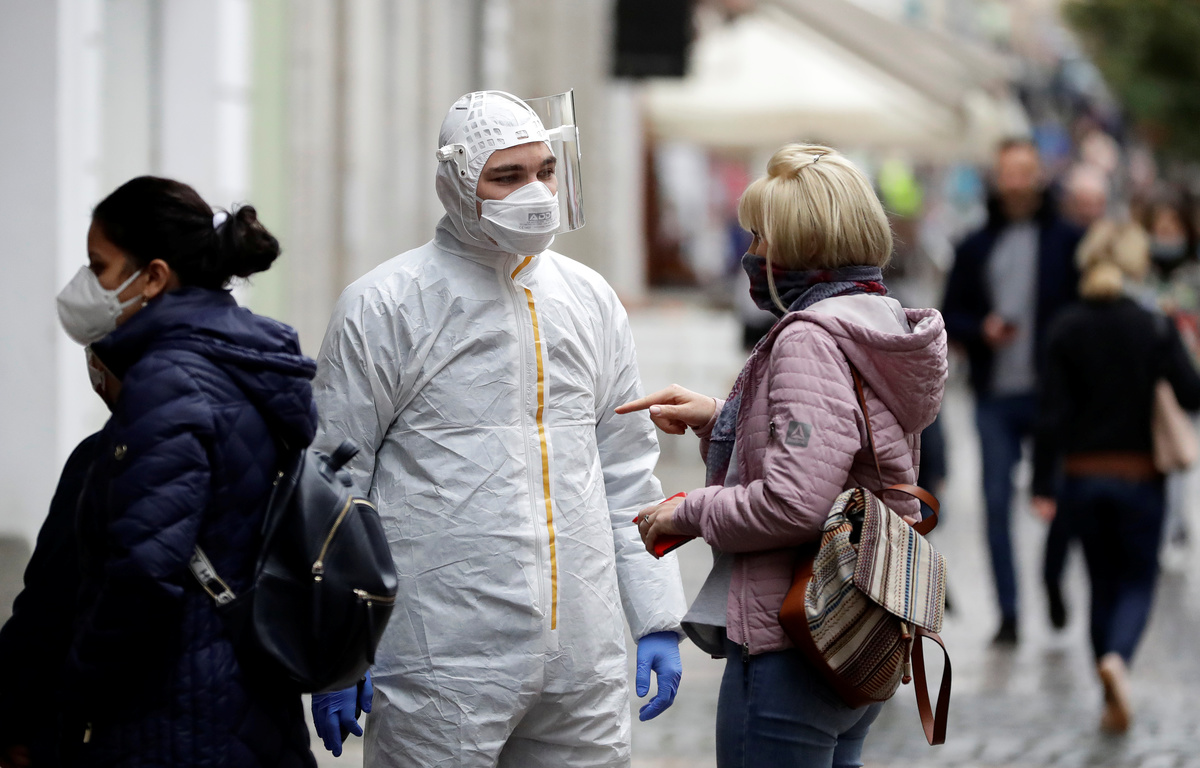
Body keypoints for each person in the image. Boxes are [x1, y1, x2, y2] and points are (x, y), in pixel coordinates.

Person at [309, 90, 687, 767]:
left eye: (545, 171)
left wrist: (656, 615)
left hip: (582, 658)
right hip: (439, 660)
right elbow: (334, 483)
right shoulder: (385, 305)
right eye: (507, 176)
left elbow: (628, 471)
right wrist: (339, 643)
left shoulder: (589, 299)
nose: (535, 192)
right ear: (457, 183)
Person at [619, 144, 947, 768]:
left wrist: (686, 511)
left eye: (761, 235)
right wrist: (722, 417)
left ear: (804, 244)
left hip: (796, 631)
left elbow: (794, 502)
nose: (752, 252)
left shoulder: (809, 338)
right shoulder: (877, 317)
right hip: (860, 624)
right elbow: (835, 443)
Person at [57, 176, 319, 766]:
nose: (87, 285)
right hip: (249, 696)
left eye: (99, 267)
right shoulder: (242, 365)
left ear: (153, 276)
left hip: (177, 719)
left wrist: (78, 685)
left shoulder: (168, 381)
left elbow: (144, 573)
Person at [1031, 220, 1200, 733]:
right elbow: (1191, 392)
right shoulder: (1153, 324)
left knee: (1100, 584)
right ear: (1136, 265)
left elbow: (1051, 416)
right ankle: (1118, 661)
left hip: (1082, 478)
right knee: (1137, 582)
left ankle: (1109, 692)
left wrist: (1042, 485)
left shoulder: (1065, 326)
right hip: (1139, 477)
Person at [942, 138, 1083, 643]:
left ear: (1039, 176)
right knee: (996, 502)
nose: (1018, 182)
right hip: (995, 396)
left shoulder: (1069, 241)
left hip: (1054, 396)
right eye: (1009, 173)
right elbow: (947, 314)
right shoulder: (974, 245)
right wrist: (982, 328)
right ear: (998, 179)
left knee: (1065, 496)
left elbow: (1085, 312)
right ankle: (1009, 612)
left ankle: (1052, 578)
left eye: (1026, 171)